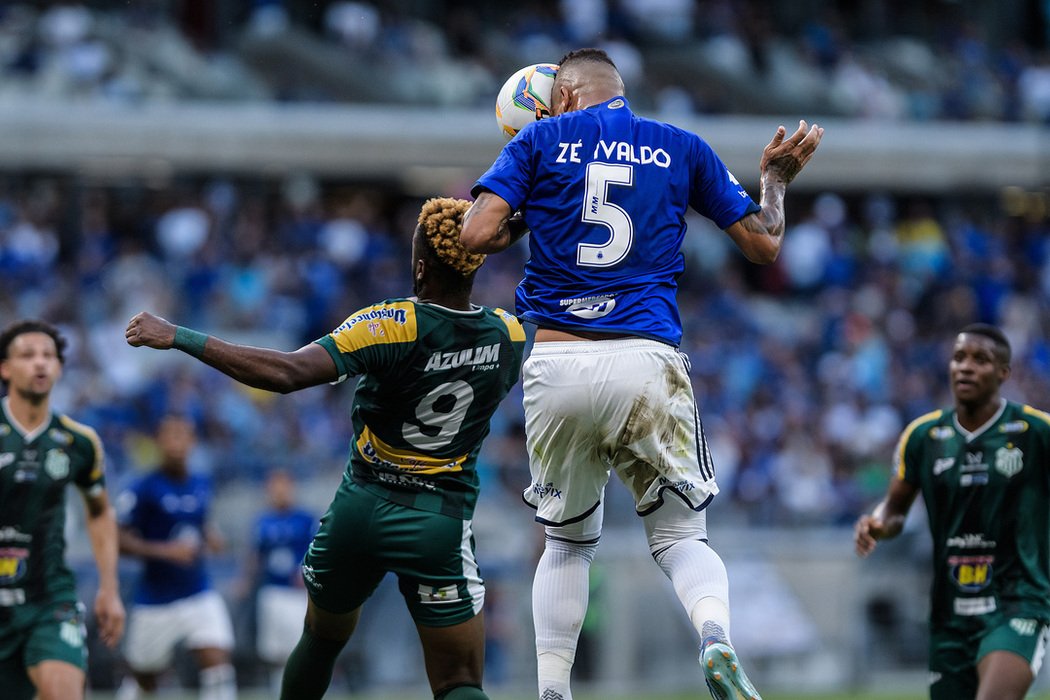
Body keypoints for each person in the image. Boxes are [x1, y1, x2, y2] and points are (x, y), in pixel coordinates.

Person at [460, 47, 823, 700]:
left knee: (566, 543)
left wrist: (530, 207)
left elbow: (474, 234)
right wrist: (775, 180)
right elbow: (764, 243)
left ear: (563, 96)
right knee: (681, 535)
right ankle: (714, 636)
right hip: (646, 357)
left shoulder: (538, 140)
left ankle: (552, 691)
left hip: (558, 360)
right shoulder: (680, 145)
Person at [124, 197, 527, 700]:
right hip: (437, 519)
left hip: (361, 508)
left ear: (421, 268)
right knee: (459, 681)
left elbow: (287, 373)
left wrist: (179, 336)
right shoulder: (509, 333)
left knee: (320, 639)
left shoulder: (393, 324)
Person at [854, 324, 1050, 700]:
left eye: (980, 360)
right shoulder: (923, 436)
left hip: (1018, 603)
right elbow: (896, 509)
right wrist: (877, 524)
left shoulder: (1035, 431)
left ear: (1003, 373)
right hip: (951, 612)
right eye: (959, 358)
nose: (966, 367)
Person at [0, 319, 125, 700]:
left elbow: (99, 511)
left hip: (49, 599)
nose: (40, 363)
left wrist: (109, 588)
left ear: (58, 367)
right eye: (27, 355)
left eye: (48, 356)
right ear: (5, 369)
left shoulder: (79, 441)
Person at [115, 414, 238, 700]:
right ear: (158, 442)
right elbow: (118, 539)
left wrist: (211, 536)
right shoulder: (142, 487)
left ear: (193, 441)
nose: (176, 443)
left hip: (198, 592)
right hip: (155, 600)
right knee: (145, 677)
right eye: (169, 435)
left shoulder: (202, 483)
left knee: (218, 664)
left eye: (182, 435)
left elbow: (198, 523)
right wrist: (164, 551)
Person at [243, 468, 317, 694]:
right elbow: (256, 554)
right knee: (275, 652)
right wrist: (245, 581)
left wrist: (308, 573)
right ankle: (280, 691)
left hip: (297, 593)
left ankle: (306, 691)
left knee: (300, 648)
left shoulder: (306, 519)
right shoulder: (263, 521)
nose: (279, 491)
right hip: (272, 591)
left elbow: (319, 550)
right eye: (274, 486)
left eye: (283, 485)